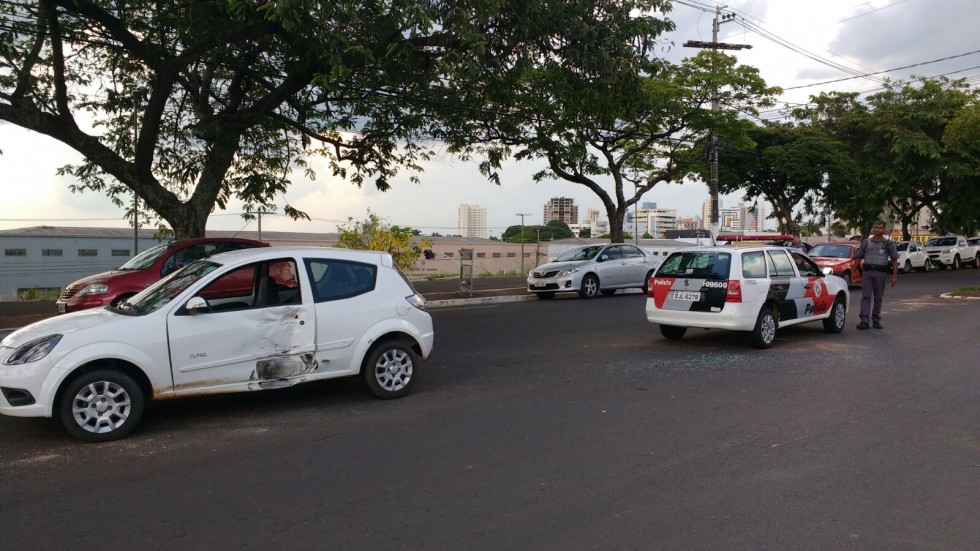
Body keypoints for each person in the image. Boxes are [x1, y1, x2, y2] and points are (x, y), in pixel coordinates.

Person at [854, 220, 899, 330]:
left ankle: (876, 320)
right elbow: (858, 258)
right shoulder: (866, 242)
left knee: (878, 298)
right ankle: (864, 320)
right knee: (866, 296)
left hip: (881, 274)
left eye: (880, 228)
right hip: (867, 273)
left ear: (883, 229)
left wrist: (894, 276)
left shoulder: (888, 244)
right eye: (876, 228)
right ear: (873, 229)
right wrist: (852, 272)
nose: (878, 229)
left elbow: (894, 261)